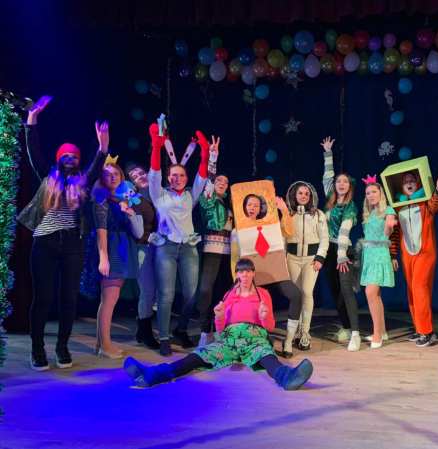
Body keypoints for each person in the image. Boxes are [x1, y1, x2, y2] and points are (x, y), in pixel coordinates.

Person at [123, 259, 313, 391]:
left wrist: (264, 316)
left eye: (248, 271)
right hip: (229, 339)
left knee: (267, 356)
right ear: (236, 274)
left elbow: (269, 327)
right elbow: (221, 331)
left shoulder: (263, 294)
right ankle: (152, 375)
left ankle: (288, 378)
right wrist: (219, 317)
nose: (245, 275)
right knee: (198, 356)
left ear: (253, 273)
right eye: (241, 271)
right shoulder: (229, 295)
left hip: (255, 337)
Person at [17, 97, 108, 370]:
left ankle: (62, 347)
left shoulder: (83, 182)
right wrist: (32, 120)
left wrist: (103, 146)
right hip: (44, 243)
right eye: (65, 155)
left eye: (74, 156)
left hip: (72, 244)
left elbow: (96, 167)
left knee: (68, 298)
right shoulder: (48, 176)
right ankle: (37, 350)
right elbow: (34, 150)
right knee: (43, 298)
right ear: (59, 159)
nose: (70, 159)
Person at [147, 123, 215, 355]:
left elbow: (202, 176)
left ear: (186, 178)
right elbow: (154, 173)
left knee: (190, 295)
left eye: (181, 175)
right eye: (173, 175)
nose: (177, 178)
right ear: (168, 177)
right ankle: (164, 337)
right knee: (165, 295)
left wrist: (204, 153)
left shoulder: (189, 196)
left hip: (188, 248)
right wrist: (157, 147)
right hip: (165, 248)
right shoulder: (159, 194)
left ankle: (181, 329)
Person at [230, 193, 303, 358]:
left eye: (256, 205)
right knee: (249, 301)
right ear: (244, 207)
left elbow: (289, 232)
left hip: (275, 272)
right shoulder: (237, 231)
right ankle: (252, 340)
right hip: (254, 276)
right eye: (249, 204)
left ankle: (288, 341)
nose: (252, 208)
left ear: (260, 208)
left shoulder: (271, 225)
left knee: (296, 295)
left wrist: (284, 210)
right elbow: (234, 258)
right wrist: (237, 279)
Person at [177, 139, 233, 348]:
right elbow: (209, 180)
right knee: (205, 290)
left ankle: (220, 328)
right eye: (219, 180)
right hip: (212, 249)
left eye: (225, 182)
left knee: (223, 291)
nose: (222, 183)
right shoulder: (208, 198)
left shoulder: (229, 203)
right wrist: (213, 158)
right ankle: (204, 330)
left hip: (229, 252)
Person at [389, 171, 438, 347]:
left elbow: (435, 204)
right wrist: (393, 254)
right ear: (401, 186)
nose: (409, 183)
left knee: (419, 288)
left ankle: (427, 332)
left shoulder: (425, 203)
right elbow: (394, 233)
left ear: (417, 184)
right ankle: (419, 328)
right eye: (405, 181)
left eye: (412, 180)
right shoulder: (398, 206)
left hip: (425, 253)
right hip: (407, 254)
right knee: (411, 290)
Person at [93, 163, 144, 358]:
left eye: (116, 173)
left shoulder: (123, 200)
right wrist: (104, 257)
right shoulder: (101, 199)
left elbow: (137, 232)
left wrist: (130, 213)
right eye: (108, 174)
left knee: (108, 299)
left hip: (122, 249)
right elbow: (101, 230)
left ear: (122, 177)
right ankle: (105, 346)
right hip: (112, 249)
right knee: (109, 299)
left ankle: (101, 343)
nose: (113, 177)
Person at [320, 137, 361, 352]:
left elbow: (344, 231)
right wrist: (328, 154)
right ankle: (345, 326)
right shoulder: (330, 200)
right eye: (339, 182)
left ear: (349, 186)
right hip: (328, 250)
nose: (341, 184)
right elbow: (327, 177)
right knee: (335, 291)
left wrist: (342, 255)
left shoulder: (350, 207)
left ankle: (355, 333)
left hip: (343, 250)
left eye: (345, 182)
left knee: (346, 291)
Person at [284, 181, 329, 351]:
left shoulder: (318, 214)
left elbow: (324, 238)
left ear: (311, 197)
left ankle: (305, 333)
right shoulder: (288, 214)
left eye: (306, 194)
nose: (303, 196)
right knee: (296, 295)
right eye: (300, 193)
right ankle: (294, 333)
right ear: (294, 195)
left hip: (311, 259)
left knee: (307, 292)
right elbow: (283, 238)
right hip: (292, 259)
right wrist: (282, 259)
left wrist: (320, 258)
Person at [124, 162, 160, 349]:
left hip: (160, 249)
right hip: (143, 249)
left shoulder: (158, 194)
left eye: (141, 172)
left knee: (157, 292)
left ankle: (141, 330)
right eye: (134, 176)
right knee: (147, 291)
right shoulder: (133, 200)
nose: (140, 176)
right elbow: (134, 228)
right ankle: (146, 332)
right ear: (132, 183)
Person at [359, 176, 397, 349]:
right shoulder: (369, 213)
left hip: (380, 254)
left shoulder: (388, 209)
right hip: (368, 255)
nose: (371, 195)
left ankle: (377, 334)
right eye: (368, 193)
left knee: (370, 292)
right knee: (376, 295)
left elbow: (388, 230)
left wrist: (390, 225)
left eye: (374, 192)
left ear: (381, 193)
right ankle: (382, 331)